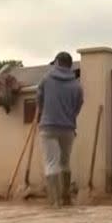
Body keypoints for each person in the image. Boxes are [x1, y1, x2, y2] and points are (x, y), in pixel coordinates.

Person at [36, 51, 83, 208]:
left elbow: (39, 99)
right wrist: (70, 118)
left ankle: (55, 202)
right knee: (65, 162)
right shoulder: (76, 85)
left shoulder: (46, 79)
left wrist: (43, 113)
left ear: (56, 62)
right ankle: (66, 198)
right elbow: (78, 106)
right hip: (68, 128)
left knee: (51, 163)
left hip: (48, 126)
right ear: (70, 65)